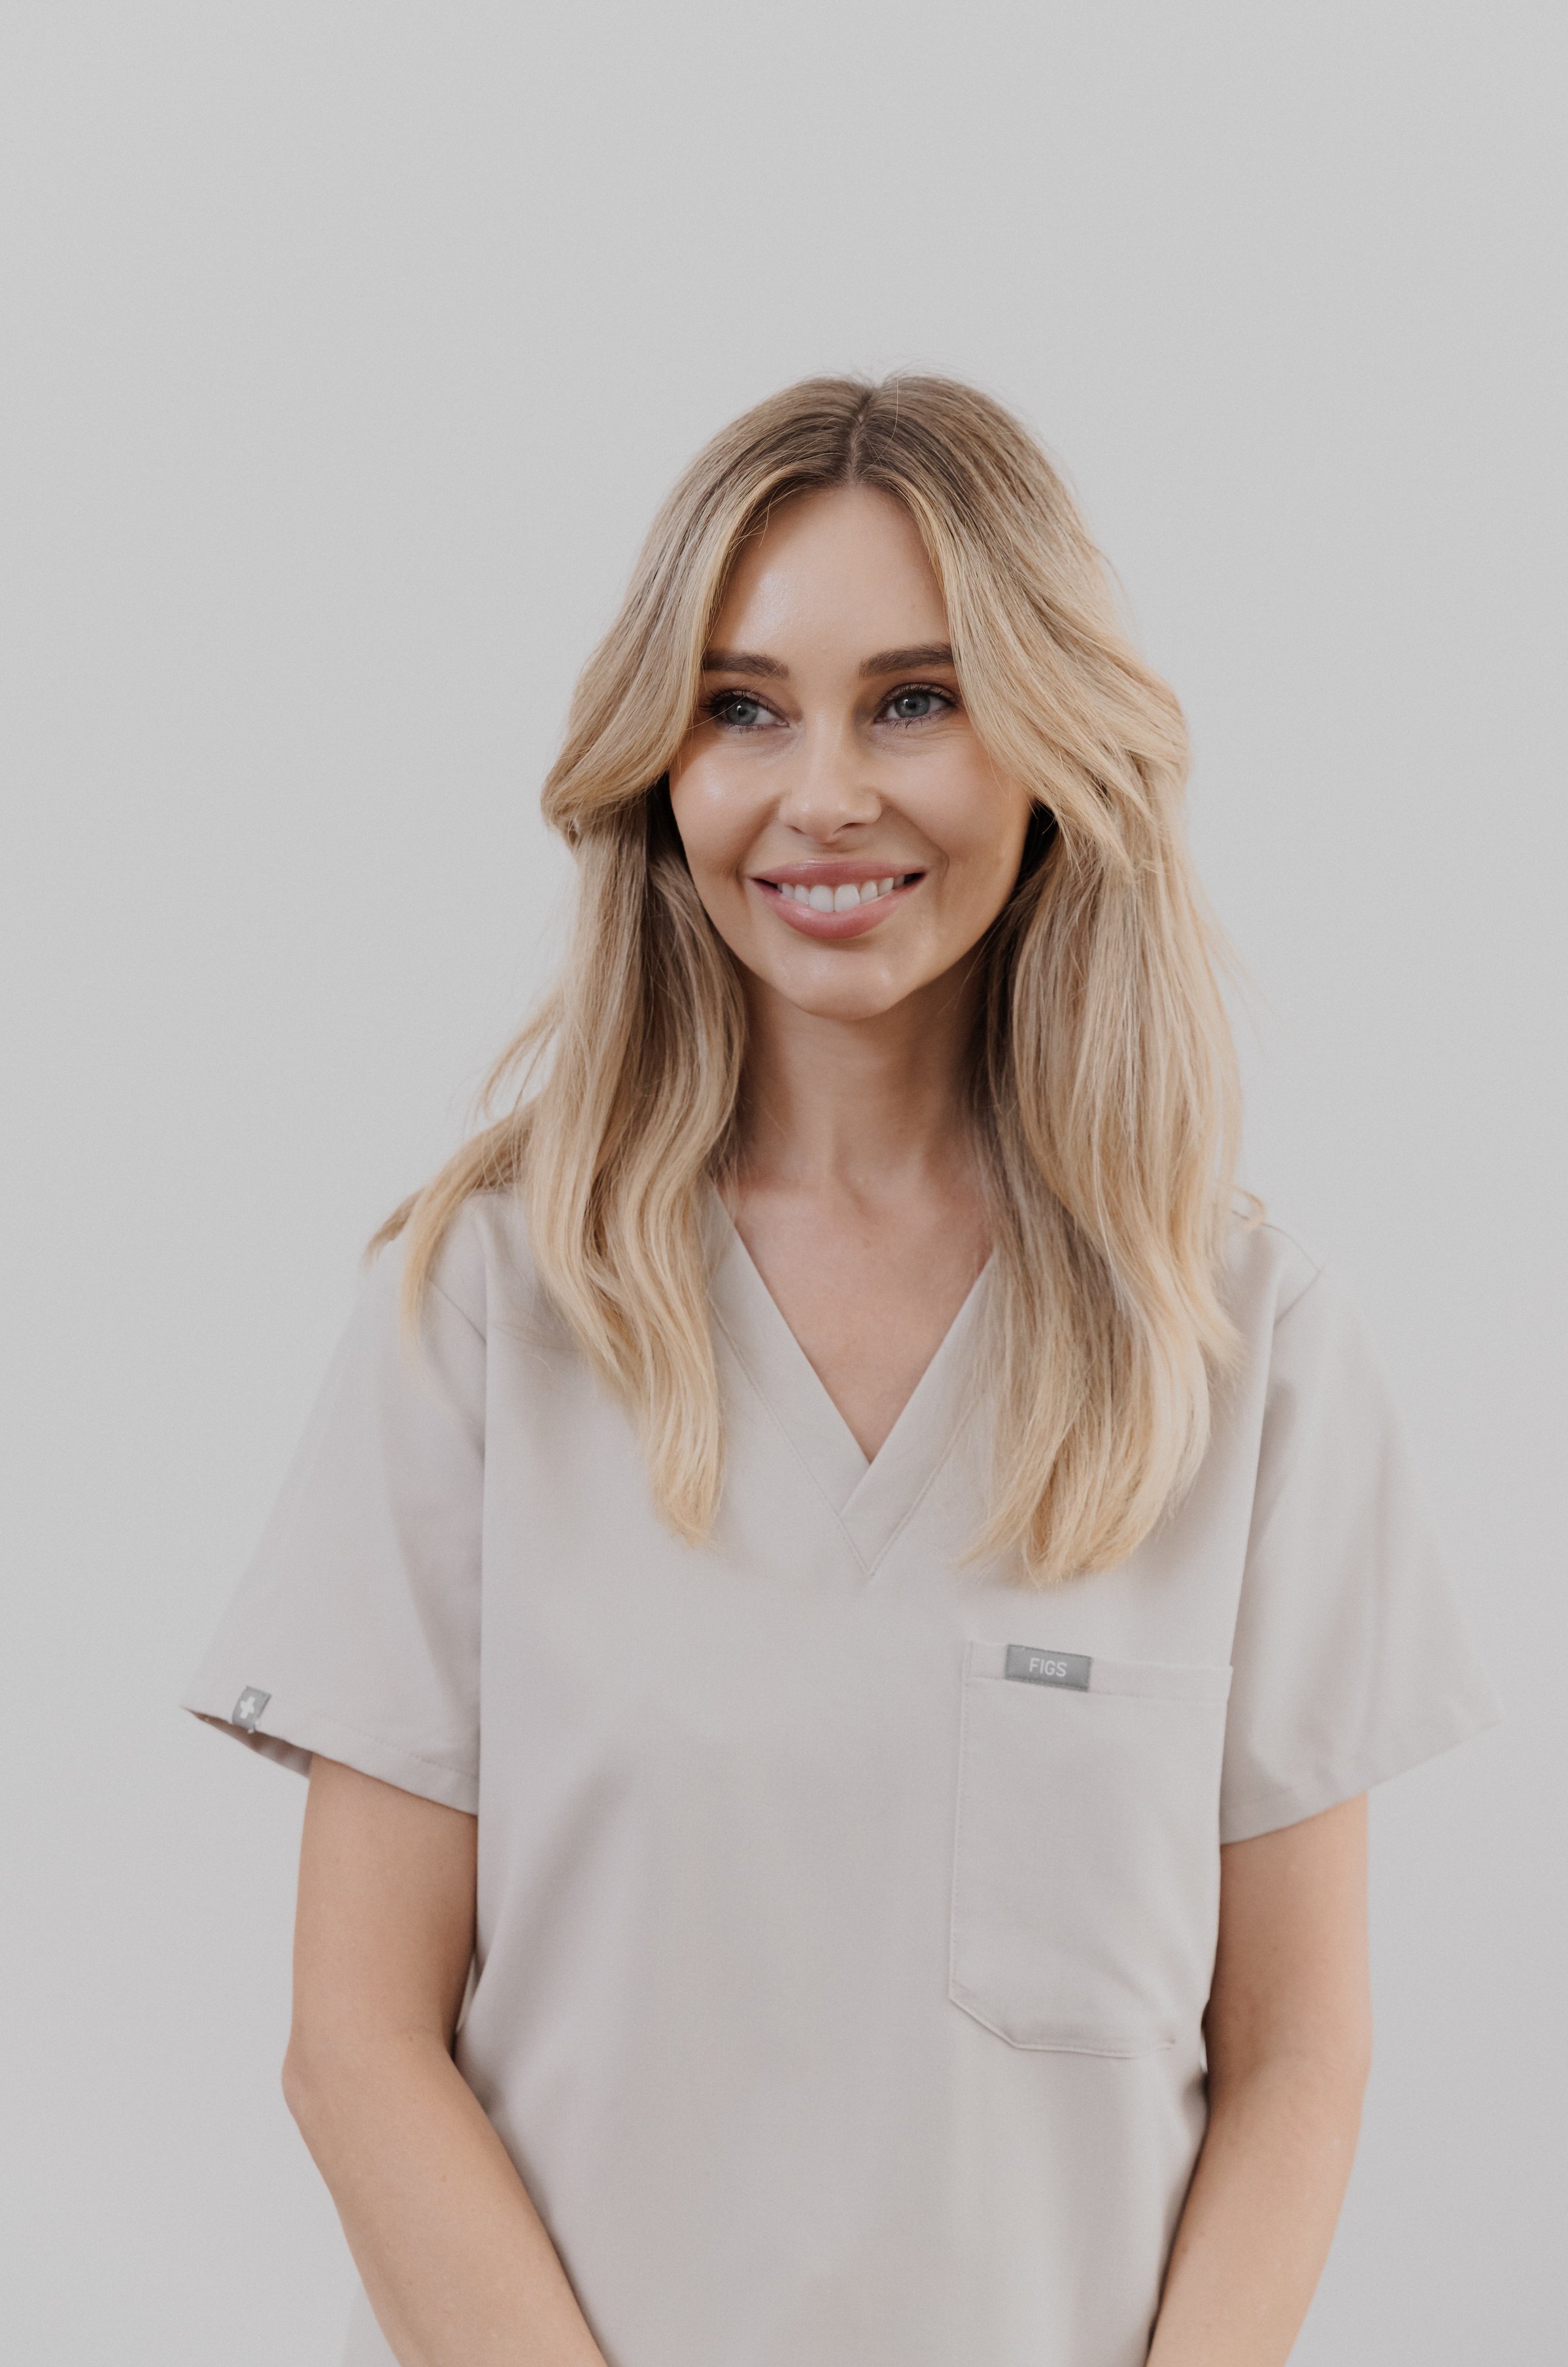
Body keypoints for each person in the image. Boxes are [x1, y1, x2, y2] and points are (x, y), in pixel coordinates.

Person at [182, 373, 1501, 2367]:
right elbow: (355, 2045)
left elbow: (1298, 2051)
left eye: (913, 698)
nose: (822, 791)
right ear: (661, 768)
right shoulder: (489, 1312)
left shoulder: (1240, 1347)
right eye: (738, 705)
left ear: (1050, 742)